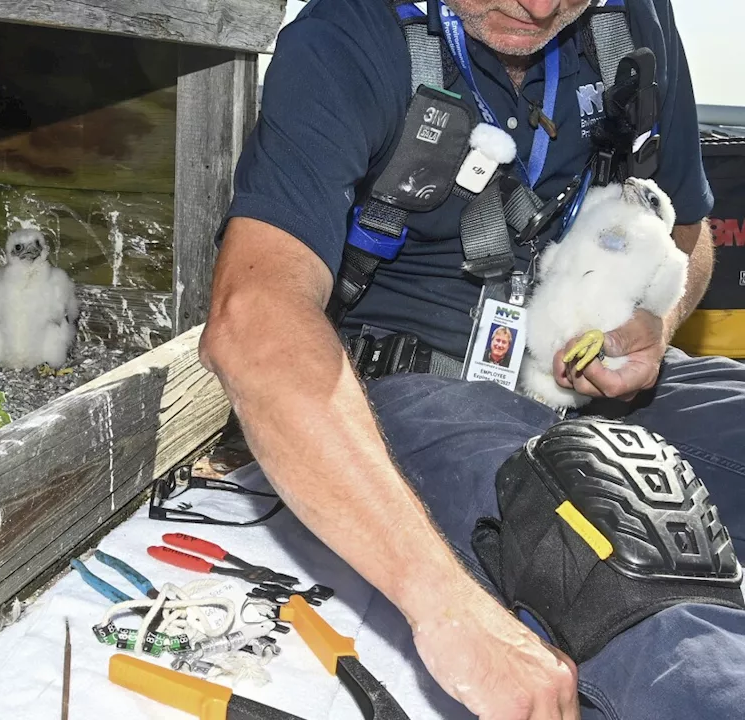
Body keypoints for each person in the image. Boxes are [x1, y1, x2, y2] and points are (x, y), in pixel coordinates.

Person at [199, 0, 745, 718]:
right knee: (625, 576)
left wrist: (655, 320)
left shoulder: (633, 19)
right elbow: (252, 320)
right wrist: (446, 607)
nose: (540, 6)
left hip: (586, 374)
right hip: (422, 391)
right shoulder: (347, 36)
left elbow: (685, 229)